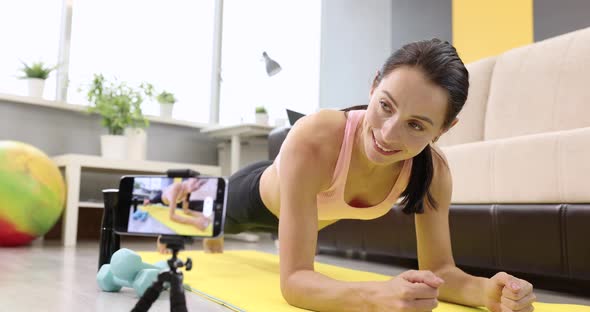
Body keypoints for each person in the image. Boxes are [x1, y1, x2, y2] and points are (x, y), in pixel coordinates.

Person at [160, 39, 537, 311]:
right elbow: (294, 282)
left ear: (444, 129)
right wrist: (377, 296)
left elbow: (440, 270)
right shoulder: (317, 134)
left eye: (417, 126)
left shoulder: (433, 172)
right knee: (204, 211)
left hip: (306, 215)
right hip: (257, 198)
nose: (389, 134)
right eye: (385, 106)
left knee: (207, 218)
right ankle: (181, 194)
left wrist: (489, 292)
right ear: (373, 86)